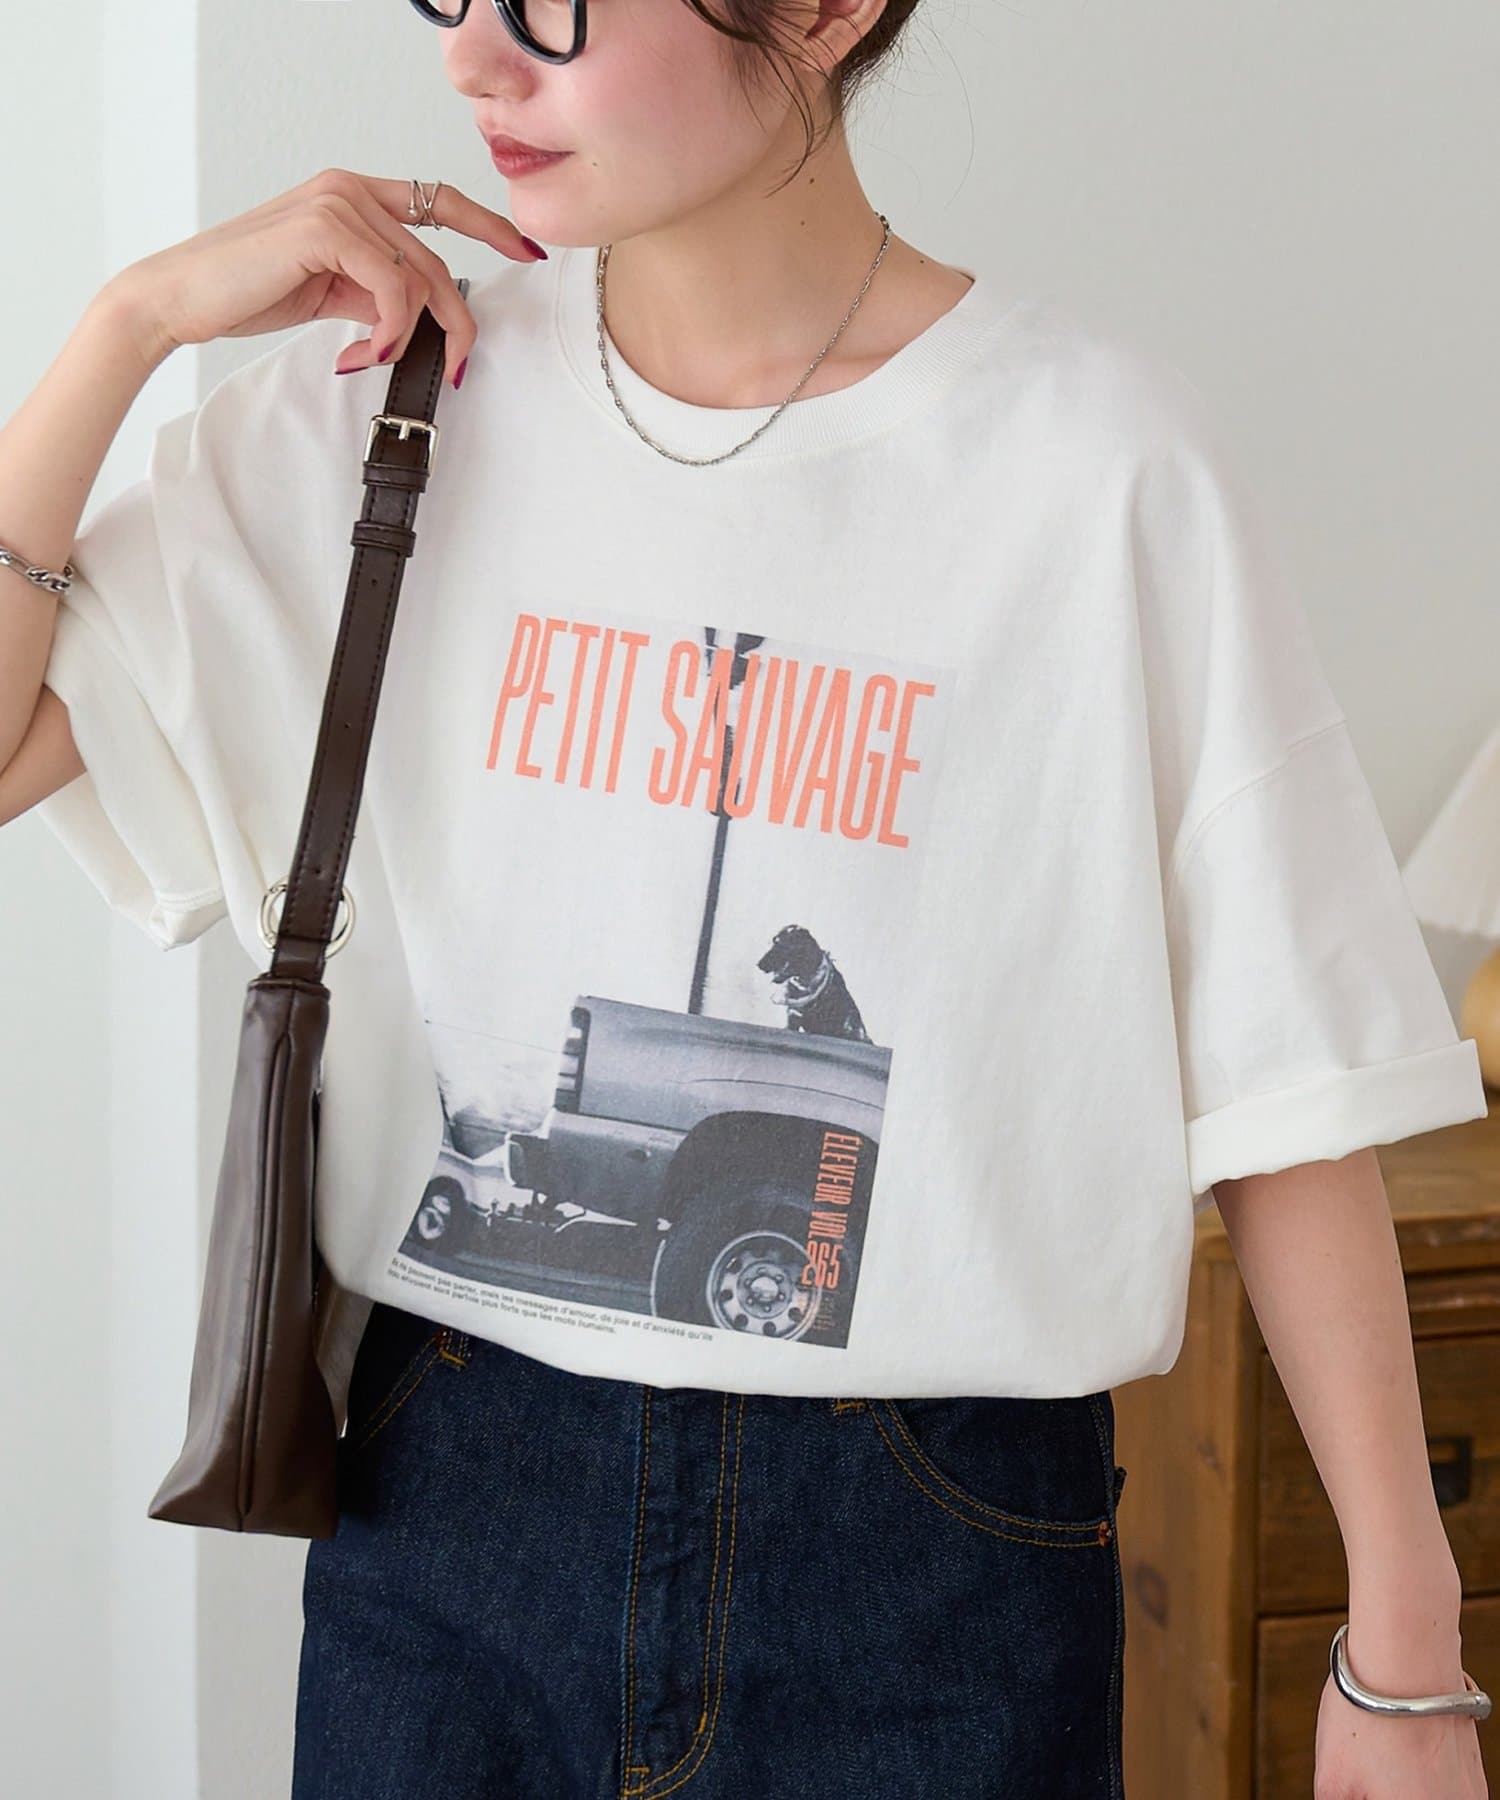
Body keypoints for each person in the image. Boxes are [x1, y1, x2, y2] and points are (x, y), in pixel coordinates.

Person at [0, 2, 1491, 1796]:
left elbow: (1284, 1087)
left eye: (555, 4)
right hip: (451, 1501)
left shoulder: (1097, 470)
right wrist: (130, 322)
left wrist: (1407, 1653)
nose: (476, 61)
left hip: (927, 1557)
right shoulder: (389, 405)